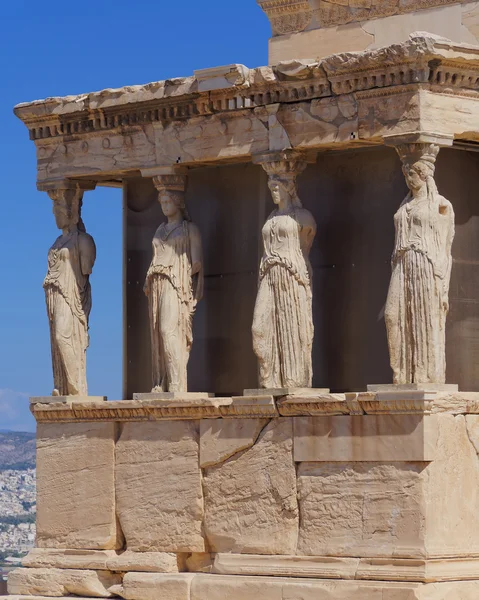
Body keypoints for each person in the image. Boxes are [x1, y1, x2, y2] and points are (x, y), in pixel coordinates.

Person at [385, 144, 455, 384]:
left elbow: (446, 247)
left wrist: (442, 284)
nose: (408, 179)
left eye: (411, 174)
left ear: (425, 176)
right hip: (402, 263)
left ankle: (425, 375)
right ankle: (401, 373)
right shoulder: (404, 206)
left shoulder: (441, 205)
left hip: (426, 265)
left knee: (425, 318)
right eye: (405, 174)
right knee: (392, 315)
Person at [252, 161, 316, 388]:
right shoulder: (270, 217)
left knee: (292, 327)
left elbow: (305, 250)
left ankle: (293, 379)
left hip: (291, 274)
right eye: (270, 189)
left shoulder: (303, 217)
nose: (273, 192)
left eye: (276, 188)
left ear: (288, 189)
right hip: (268, 274)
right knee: (259, 330)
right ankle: (268, 380)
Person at [145, 187, 203, 392]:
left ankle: (177, 383)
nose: (164, 206)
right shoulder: (159, 230)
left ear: (178, 202)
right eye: (162, 202)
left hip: (176, 282)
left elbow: (196, 262)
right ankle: (162, 382)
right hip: (157, 283)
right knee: (158, 334)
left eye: (168, 201)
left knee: (168, 330)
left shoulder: (190, 229)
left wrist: (183, 276)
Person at [44, 187, 96, 396]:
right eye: (54, 212)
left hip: (71, 295)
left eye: (59, 211)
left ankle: (76, 387)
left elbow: (86, 270)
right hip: (55, 295)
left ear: (71, 213)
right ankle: (63, 385)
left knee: (63, 336)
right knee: (56, 341)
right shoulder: (57, 242)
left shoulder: (83, 240)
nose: (55, 216)